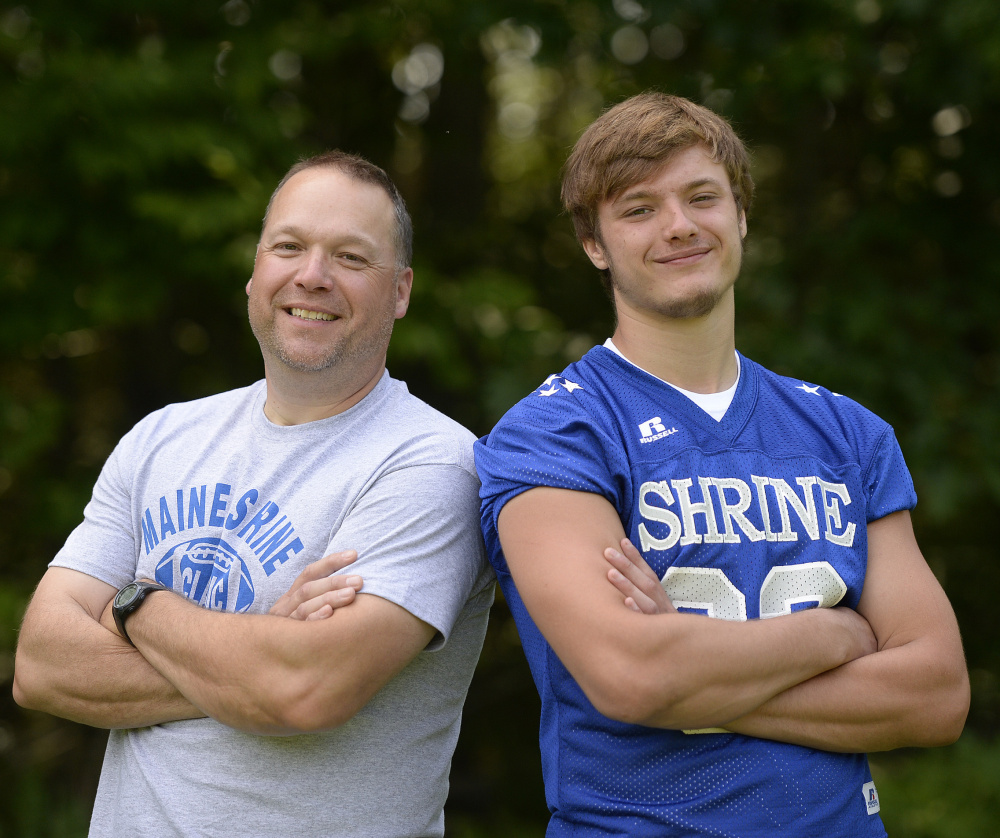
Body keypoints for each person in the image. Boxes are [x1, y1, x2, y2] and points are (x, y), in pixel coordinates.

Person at [474, 92, 969, 836]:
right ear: (594, 244)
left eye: (702, 196)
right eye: (638, 209)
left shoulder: (847, 432)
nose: (678, 225)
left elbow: (934, 696)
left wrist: (687, 672)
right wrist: (829, 637)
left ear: (740, 215)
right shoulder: (555, 433)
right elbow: (630, 674)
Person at [13, 150, 494, 838]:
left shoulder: (432, 463)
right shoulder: (163, 439)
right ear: (255, 271)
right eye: (289, 246)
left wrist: (135, 605)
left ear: (401, 291)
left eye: (352, 258)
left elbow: (305, 689)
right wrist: (258, 659)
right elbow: (41, 665)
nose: (312, 276)